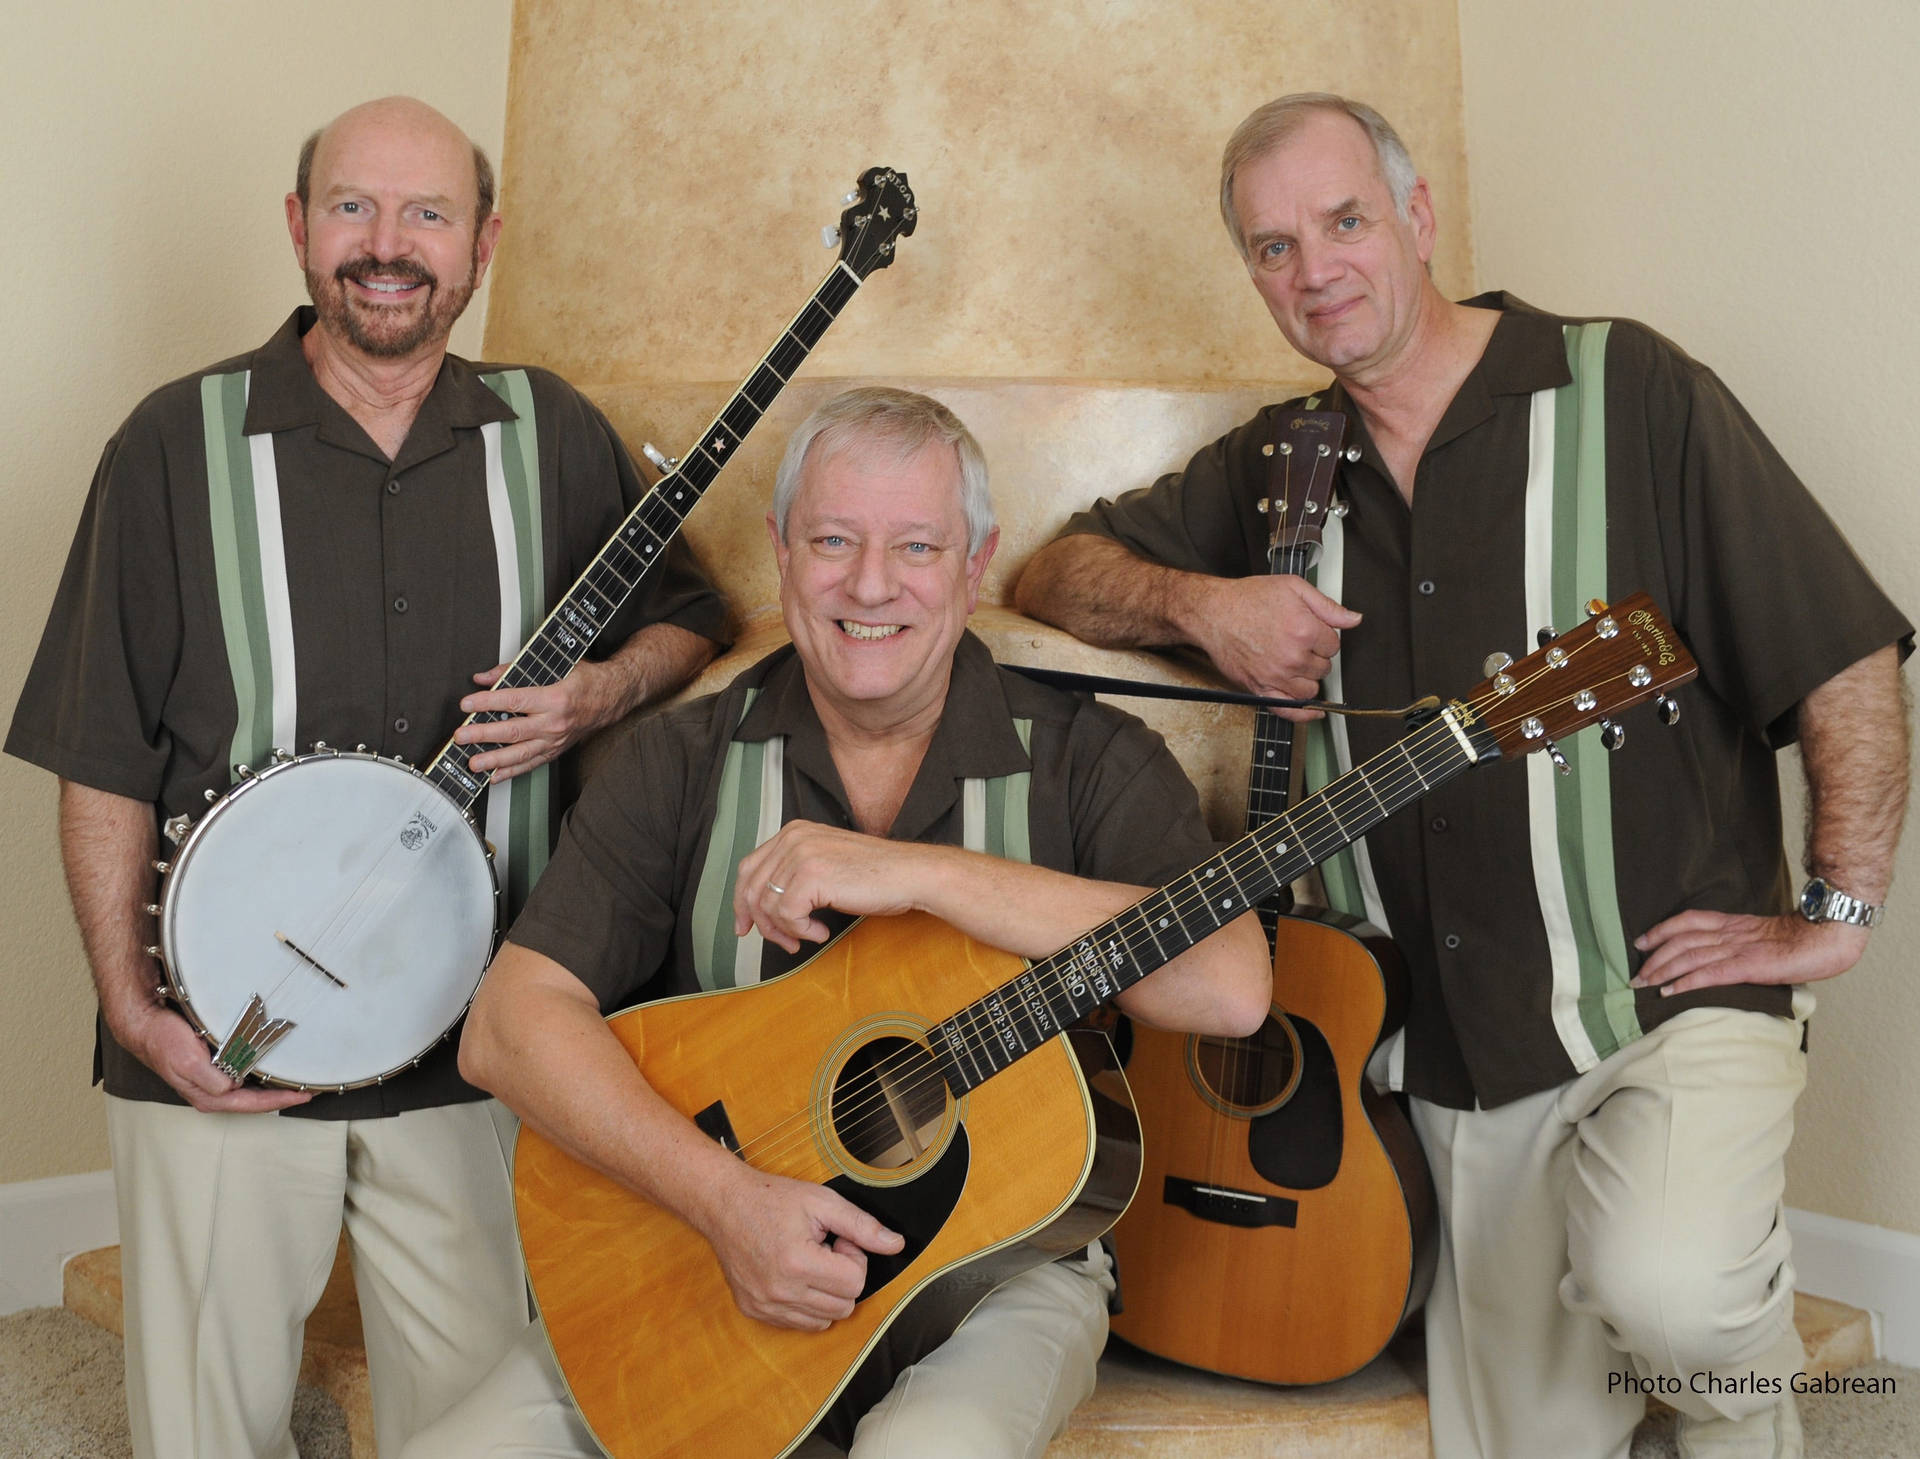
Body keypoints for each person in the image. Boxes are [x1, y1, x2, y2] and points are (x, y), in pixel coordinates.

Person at [1013, 92, 1910, 1459]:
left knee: (1670, 1294)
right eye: (1271, 247)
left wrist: (1838, 913)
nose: (1313, 270)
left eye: (1345, 220)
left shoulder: (1631, 389)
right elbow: (1050, 572)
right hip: (1443, 1054)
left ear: (1420, 217)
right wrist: (1204, 606)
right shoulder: (1279, 464)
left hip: (1662, 995)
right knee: (1529, 1441)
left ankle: (1754, 1393)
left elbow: (1841, 646)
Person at [5, 97, 727, 1459]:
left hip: (475, 1035)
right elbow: (98, 752)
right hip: (225, 1031)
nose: (386, 246)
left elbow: (692, 611)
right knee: (201, 1429)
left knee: (477, 1422)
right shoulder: (172, 444)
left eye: (428, 214)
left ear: (483, 245)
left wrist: (598, 693)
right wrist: (130, 1007)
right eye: (351, 207)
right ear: (296, 227)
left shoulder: (554, 430)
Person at [402, 386, 1271, 1459]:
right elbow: (508, 1025)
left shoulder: (1091, 759)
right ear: (778, 551)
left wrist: (915, 874)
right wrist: (725, 1203)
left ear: (975, 561)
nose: (871, 584)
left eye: (916, 545)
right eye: (832, 540)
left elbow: (1231, 987)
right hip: (703, 1250)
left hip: (999, 1277)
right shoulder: (682, 762)